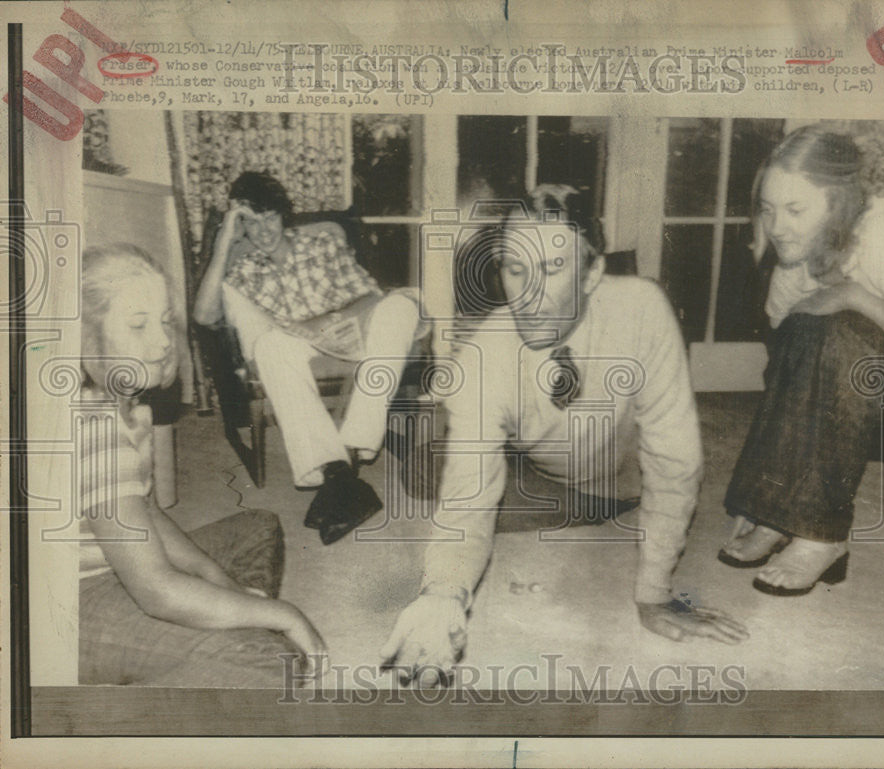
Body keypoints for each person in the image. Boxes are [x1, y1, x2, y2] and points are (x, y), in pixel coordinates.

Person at [380, 186, 749, 687]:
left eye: (552, 269)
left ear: (593, 272)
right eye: (515, 268)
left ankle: (586, 506)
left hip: (611, 481)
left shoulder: (643, 308)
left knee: (434, 468)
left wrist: (655, 590)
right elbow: (467, 496)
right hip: (536, 462)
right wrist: (442, 595)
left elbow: (675, 459)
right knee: (435, 467)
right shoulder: (481, 353)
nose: (528, 296)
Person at [78, 244, 328, 686]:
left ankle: (218, 621)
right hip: (77, 606)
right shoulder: (94, 429)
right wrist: (284, 615)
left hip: (126, 564)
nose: (160, 341)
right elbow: (154, 591)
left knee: (259, 525)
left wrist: (214, 577)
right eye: (138, 325)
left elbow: (147, 511)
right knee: (267, 663)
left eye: (165, 322)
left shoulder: (129, 404)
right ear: (86, 336)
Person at [717, 126, 884, 595]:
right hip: (859, 373)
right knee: (806, 330)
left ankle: (821, 532)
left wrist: (855, 295)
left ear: (838, 202)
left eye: (795, 209)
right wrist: (763, 487)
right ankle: (779, 514)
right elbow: (785, 371)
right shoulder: (793, 254)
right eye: (768, 209)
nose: (777, 227)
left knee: (838, 328)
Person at [192, 171, 424, 544]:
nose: (263, 231)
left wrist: (336, 320)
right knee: (269, 347)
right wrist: (224, 243)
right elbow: (203, 316)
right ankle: (338, 471)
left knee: (401, 306)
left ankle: (349, 448)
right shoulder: (243, 269)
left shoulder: (320, 245)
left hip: (348, 330)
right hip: (294, 342)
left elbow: (370, 294)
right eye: (251, 222)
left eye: (269, 217)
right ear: (241, 227)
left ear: (284, 215)